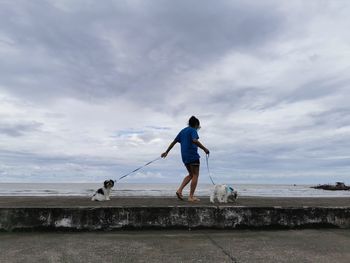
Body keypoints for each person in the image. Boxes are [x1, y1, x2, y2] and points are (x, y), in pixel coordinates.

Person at [161, 116, 209, 202]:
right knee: (195, 175)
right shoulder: (193, 130)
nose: (198, 128)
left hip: (184, 156)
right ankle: (191, 196)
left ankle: (179, 191)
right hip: (193, 155)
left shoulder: (182, 131)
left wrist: (166, 152)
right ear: (196, 124)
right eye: (198, 126)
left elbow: (174, 142)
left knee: (191, 174)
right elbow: (194, 140)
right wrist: (205, 149)